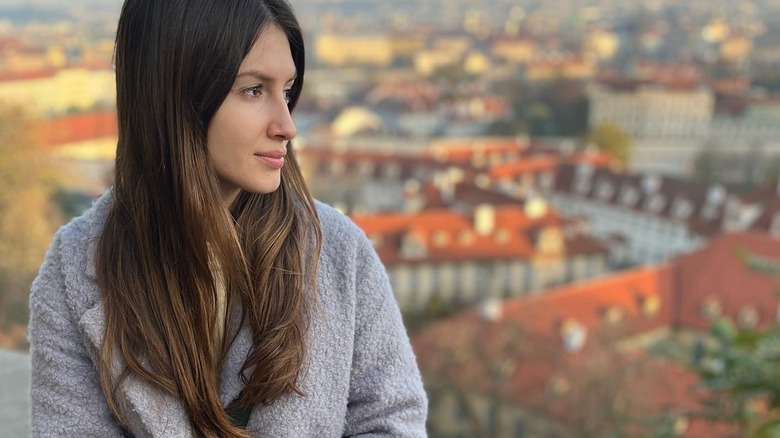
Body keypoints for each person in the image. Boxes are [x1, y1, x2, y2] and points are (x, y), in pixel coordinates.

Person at [28, 0, 428, 436]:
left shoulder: (338, 252)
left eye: (288, 91)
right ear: (178, 96)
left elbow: (391, 423)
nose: (287, 125)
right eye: (254, 90)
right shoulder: (75, 273)